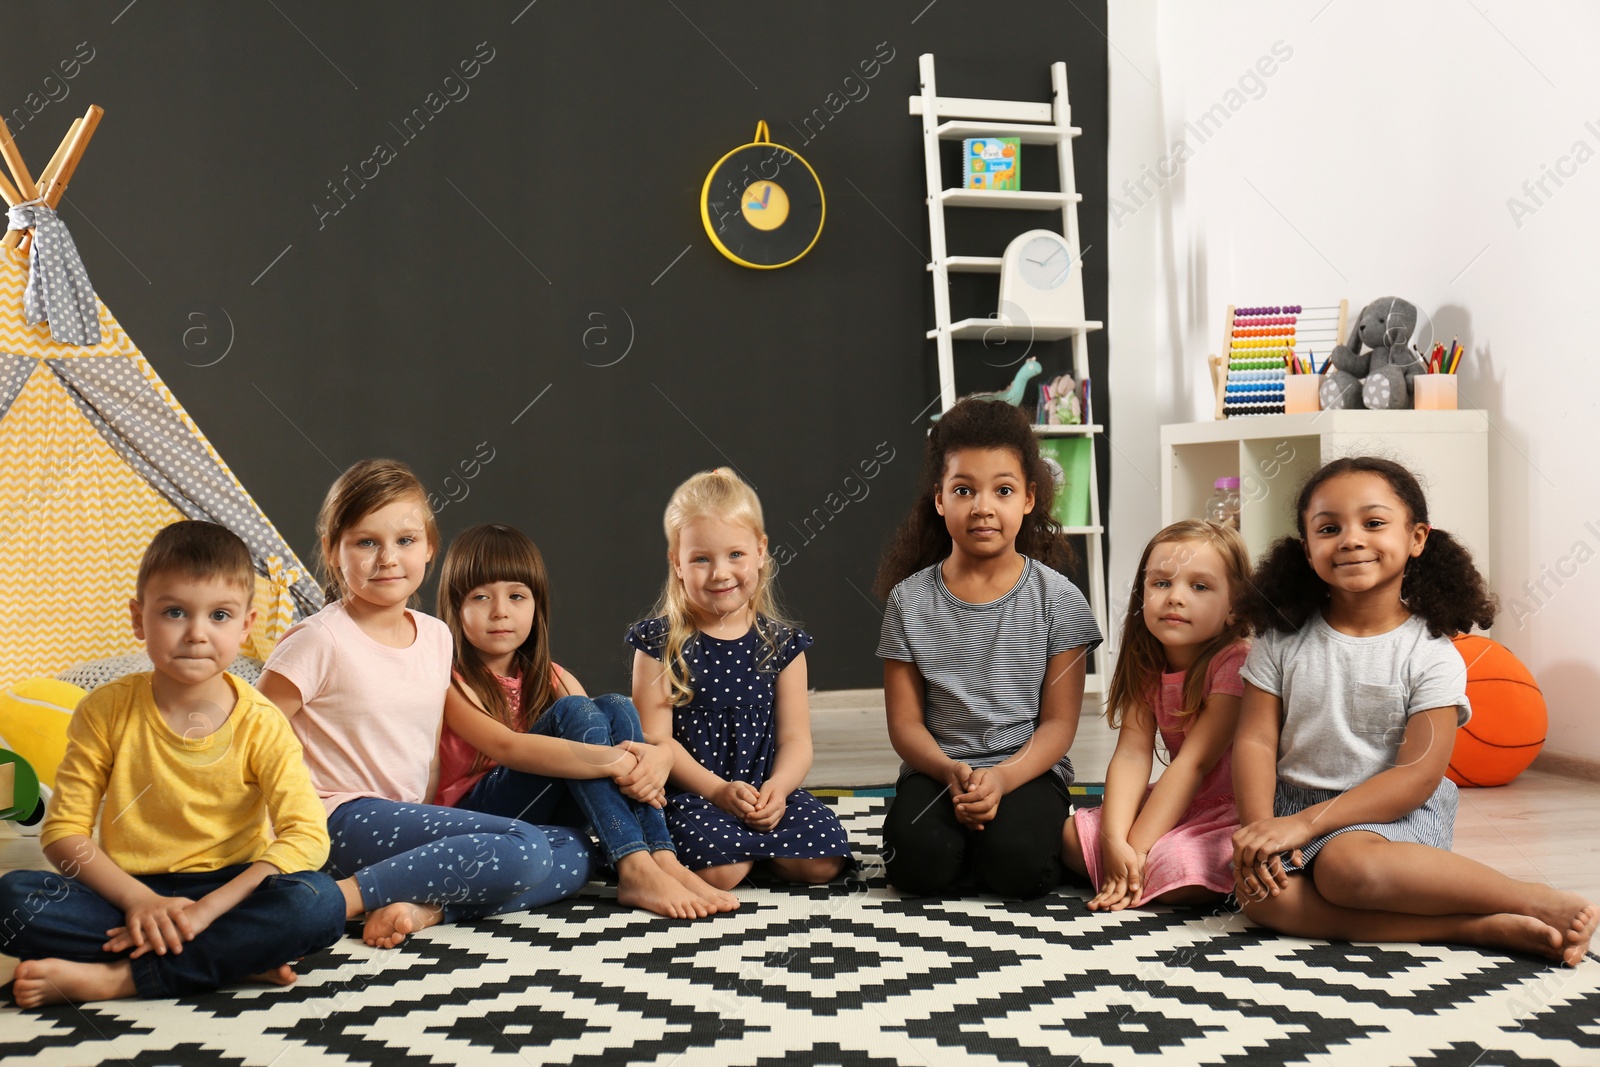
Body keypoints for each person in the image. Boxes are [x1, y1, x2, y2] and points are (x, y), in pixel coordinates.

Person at [1234, 456, 1597, 966]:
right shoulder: (1279, 640)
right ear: (1306, 548)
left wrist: (1308, 826)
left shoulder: (1432, 654)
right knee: (1262, 901)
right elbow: (1253, 741)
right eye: (1329, 528)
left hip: (1394, 815)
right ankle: (1480, 929)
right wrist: (1260, 831)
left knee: (1346, 867)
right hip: (1294, 807)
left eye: (1374, 523)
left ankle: (1527, 898)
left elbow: (1417, 775)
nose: (1351, 539)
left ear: (1418, 538)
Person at [0, 522, 343, 1007]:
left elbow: (306, 836)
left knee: (317, 903)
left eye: (219, 615)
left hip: (229, 892)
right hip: (125, 894)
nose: (197, 634)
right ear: (140, 619)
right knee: (14, 899)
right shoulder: (104, 709)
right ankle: (236, 957)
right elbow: (63, 834)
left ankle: (118, 980)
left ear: (246, 626)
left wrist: (204, 912)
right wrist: (140, 901)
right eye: (175, 612)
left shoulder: (262, 722)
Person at [258, 460, 592, 949]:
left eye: (406, 541)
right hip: (333, 821)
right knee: (527, 848)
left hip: (404, 818)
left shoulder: (435, 636)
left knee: (576, 848)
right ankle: (336, 898)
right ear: (333, 551)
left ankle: (428, 906)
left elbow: (429, 753)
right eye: (365, 542)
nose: (387, 558)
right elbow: (248, 732)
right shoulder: (319, 641)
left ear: (430, 549)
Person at [436, 523, 737, 918]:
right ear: (455, 607)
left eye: (516, 596)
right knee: (575, 712)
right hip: (480, 816)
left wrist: (657, 757)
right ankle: (633, 865)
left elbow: (613, 736)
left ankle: (660, 856)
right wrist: (618, 761)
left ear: (537, 606)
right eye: (480, 597)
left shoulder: (552, 675)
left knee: (614, 705)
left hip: (541, 813)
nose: (500, 611)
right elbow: (507, 747)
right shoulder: (448, 680)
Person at [875, 398, 1101, 898]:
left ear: (1028, 498)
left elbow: (1059, 726)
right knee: (914, 868)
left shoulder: (1059, 600)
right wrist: (948, 771)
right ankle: (962, 845)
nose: (982, 506)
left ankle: (995, 845)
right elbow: (905, 724)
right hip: (938, 768)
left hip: (1027, 769)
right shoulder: (908, 600)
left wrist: (1002, 778)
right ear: (939, 499)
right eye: (963, 490)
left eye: (1002, 490)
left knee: (1020, 870)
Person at [629, 468, 850, 891]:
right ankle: (745, 854)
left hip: (764, 792)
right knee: (719, 873)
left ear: (761, 551)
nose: (720, 573)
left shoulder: (781, 644)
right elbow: (658, 742)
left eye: (735, 555)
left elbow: (795, 741)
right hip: (694, 795)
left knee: (824, 860)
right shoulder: (658, 644)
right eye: (700, 559)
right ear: (676, 562)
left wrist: (778, 791)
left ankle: (753, 848)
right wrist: (716, 791)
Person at [1062, 520, 1251, 910]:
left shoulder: (1236, 662)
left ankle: (1143, 873)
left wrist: (1134, 849)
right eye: (1161, 583)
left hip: (1233, 808)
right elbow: (1132, 755)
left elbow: (1195, 764)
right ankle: (1142, 872)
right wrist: (1114, 840)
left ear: (1234, 607)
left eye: (1199, 587)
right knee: (1070, 836)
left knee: (1176, 864)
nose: (1175, 598)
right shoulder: (1147, 663)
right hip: (1180, 800)